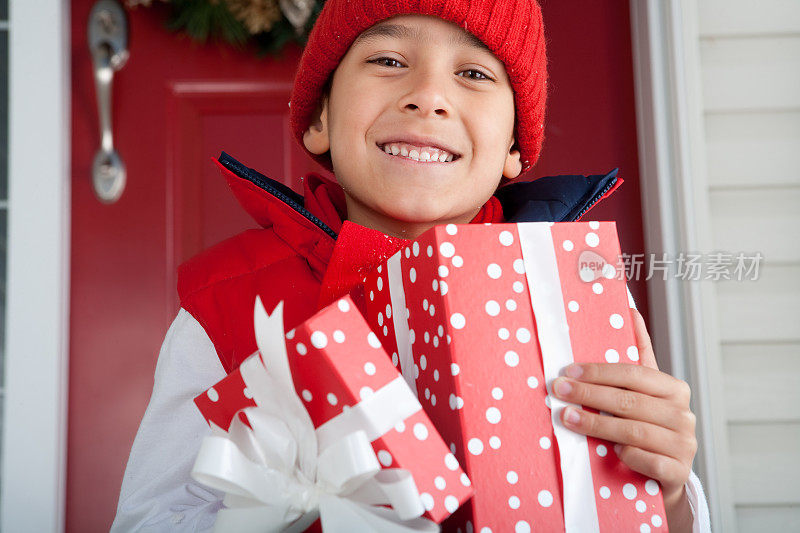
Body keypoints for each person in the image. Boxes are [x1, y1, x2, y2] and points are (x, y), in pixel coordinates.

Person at [111, 1, 711, 531]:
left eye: (474, 73)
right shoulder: (228, 307)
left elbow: (642, 508)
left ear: (513, 148)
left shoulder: (572, 291)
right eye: (389, 61)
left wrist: (675, 494)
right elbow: (149, 517)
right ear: (319, 117)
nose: (428, 95)